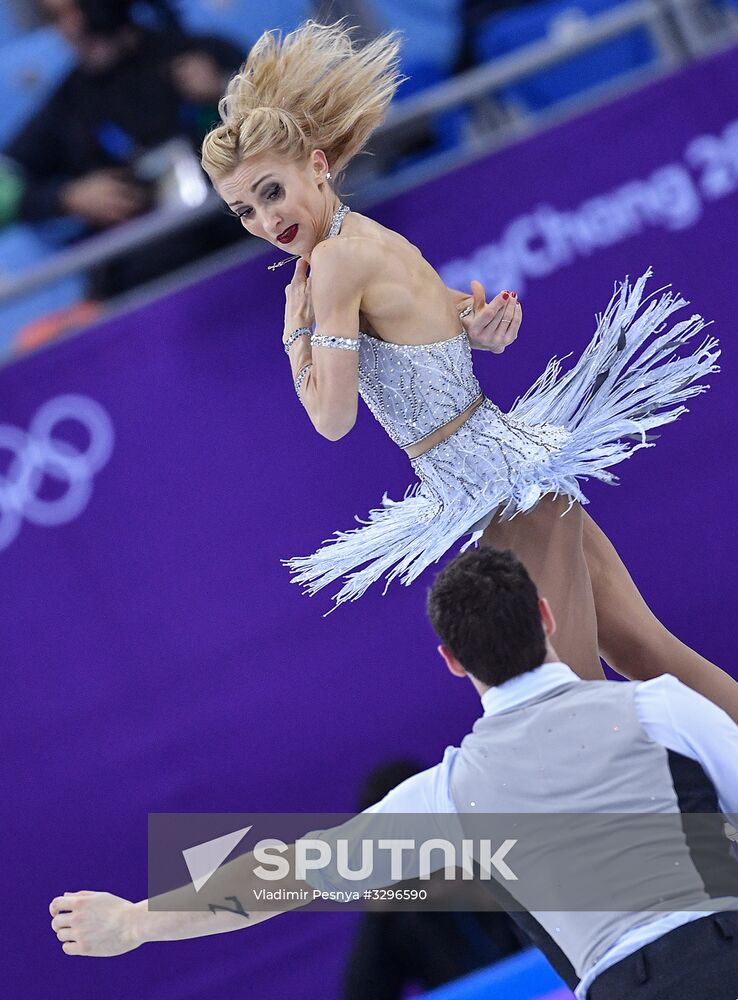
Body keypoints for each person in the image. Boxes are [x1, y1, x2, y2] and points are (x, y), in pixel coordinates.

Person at [198, 19, 738, 724]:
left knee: (567, 703)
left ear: (319, 166)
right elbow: (451, 317)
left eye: (271, 191)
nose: (266, 220)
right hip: (508, 480)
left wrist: (295, 331)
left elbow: (331, 420)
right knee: (644, 652)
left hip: (507, 491)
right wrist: (481, 326)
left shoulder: (331, 265)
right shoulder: (366, 238)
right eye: (244, 209)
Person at [49, 547, 738, 999]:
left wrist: (136, 920)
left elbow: (279, 876)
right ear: (546, 616)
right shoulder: (658, 706)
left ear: (451, 661)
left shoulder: (449, 795)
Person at [3, 0, 246, 296]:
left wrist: (224, 90)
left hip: (241, 239)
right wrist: (67, 197)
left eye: (78, 10)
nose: (70, 28)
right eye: (56, 17)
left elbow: (285, 125)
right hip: (146, 277)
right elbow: (12, 182)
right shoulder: (67, 105)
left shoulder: (199, 53)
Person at [343, 759, 525, 999]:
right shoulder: (405, 912)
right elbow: (362, 994)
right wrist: (378, 917)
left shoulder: (495, 852)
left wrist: (481, 892)